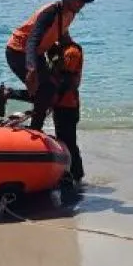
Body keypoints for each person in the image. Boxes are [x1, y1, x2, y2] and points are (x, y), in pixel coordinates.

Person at [0, 0, 94, 129]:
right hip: (18, 51)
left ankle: (7, 93)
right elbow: (32, 40)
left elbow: (61, 31)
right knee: (46, 90)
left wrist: (71, 47)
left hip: (36, 53)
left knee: (51, 90)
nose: (82, 5)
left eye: (84, 2)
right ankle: (36, 129)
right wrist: (31, 68)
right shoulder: (50, 12)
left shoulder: (71, 12)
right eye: (80, 1)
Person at [50, 34, 85, 183]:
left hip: (68, 105)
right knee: (64, 139)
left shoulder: (71, 52)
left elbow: (67, 81)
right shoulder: (64, 51)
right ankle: (72, 173)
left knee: (68, 142)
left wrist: (53, 100)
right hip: (64, 104)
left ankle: (76, 175)